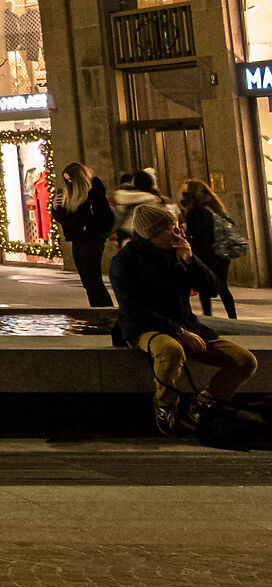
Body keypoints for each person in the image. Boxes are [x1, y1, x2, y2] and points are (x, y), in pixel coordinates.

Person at [109, 203, 258, 436]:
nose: (176, 233)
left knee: (244, 361)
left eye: (176, 226)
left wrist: (190, 260)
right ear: (150, 234)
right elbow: (134, 309)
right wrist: (179, 332)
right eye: (168, 229)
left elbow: (212, 288)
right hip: (144, 327)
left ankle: (202, 405)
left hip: (186, 324)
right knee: (171, 350)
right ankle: (165, 406)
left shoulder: (177, 253)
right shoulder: (125, 261)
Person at [180, 181, 241, 321]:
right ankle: (233, 318)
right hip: (222, 254)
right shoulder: (215, 208)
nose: (182, 197)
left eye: (185, 194)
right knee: (223, 287)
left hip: (206, 255)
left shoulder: (195, 213)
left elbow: (197, 238)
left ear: (192, 195)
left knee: (204, 288)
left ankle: (208, 318)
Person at [57, 163, 115, 308]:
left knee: (93, 279)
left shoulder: (94, 194)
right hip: (78, 241)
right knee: (87, 281)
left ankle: (105, 310)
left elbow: (106, 218)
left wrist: (87, 227)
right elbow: (66, 221)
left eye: (71, 180)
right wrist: (56, 208)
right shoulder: (71, 196)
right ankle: (96, 309)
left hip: (92, 241)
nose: (69, 183)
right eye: (66, 181)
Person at [110, 170, 164, 239]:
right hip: (148, 237)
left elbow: (118, 219)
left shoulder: (123, 198)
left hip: (128, 237)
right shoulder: (154, 200)